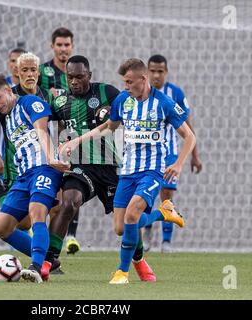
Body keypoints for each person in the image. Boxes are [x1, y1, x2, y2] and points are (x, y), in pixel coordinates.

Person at [62, 58, 196, 284]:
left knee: (133, 214)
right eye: (124, 82)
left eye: (129, 82)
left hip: (152, 172)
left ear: (143, 80)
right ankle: (163, 213)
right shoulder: (124, 101)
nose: (125, 86)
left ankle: (122, 272)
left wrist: (179, 163)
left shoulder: (162, 103)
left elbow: (189, 136)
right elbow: (108, 127)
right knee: (121, 227)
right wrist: (77, 141)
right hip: (127, 172)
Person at [42, 55, 161, 282]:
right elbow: (45, 125)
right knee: (68, 202)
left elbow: (132, 106)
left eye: (79, 76)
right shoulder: (59, 102)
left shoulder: (107, 92)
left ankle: (138, 259)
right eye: (70, 77)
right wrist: (56, 150)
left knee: (126, 221)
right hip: (80, 166)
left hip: (111, 167)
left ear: (89, 75)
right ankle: (48, 260)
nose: (75, 81)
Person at [0, 73, 70, 283]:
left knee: (37, 212)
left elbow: (42, 130)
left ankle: (36, 267)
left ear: (9, 90)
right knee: (1, 228)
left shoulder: (30, 102)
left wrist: (51, 158)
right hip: (24, 175)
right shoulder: (7, 118)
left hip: (45, 168)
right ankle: (48, 258)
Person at [143, 54, 203, 253]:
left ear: (166, 72)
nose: (156, 75)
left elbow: (188, 126)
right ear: (147, 72)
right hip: (148, 153)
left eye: (160, 71)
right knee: (147, 194)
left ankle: (166, 241)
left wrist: (195, 155)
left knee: (166, 195)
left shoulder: (174, 93)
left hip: (170, 153)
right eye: (152, 70)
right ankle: (147, 232)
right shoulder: (141, 92)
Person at [38, 27, 81, 254]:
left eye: (67, 45)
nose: (63, 49)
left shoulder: (76, 70)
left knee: (74, 181)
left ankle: (71, 236)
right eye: (59, 45)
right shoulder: (43, 71)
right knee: (51, 189)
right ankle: (40, 230)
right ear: (52, 46)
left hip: (69, 136)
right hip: (46, 134)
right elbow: (38, 99)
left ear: (72, 46)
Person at [0, 47, 27, 204]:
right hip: (10, 155)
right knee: (8, 220)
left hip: (38, 155)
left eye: (20, 60)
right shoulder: (0, 92)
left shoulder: (37, 89)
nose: (16, 65)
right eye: (13, 61)